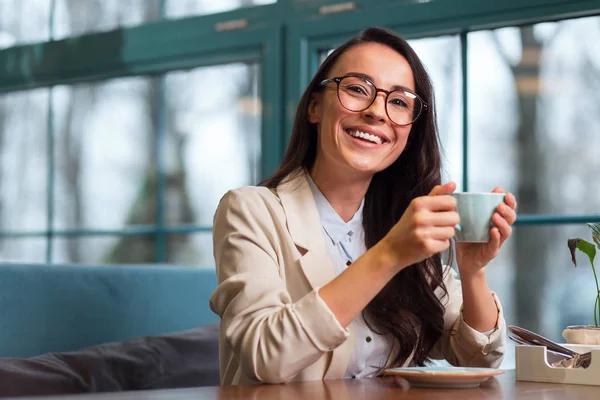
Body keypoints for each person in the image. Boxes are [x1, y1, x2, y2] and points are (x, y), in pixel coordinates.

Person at [209, 26, 517, 386]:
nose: (377, 112)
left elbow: (477, 359)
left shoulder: (399, 222)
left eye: (399, 101)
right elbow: (264, 356)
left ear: (410, 133)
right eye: (357, 89)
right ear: (314, 107)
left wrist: (472, 270)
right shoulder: (250, 211)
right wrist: (389, 255)